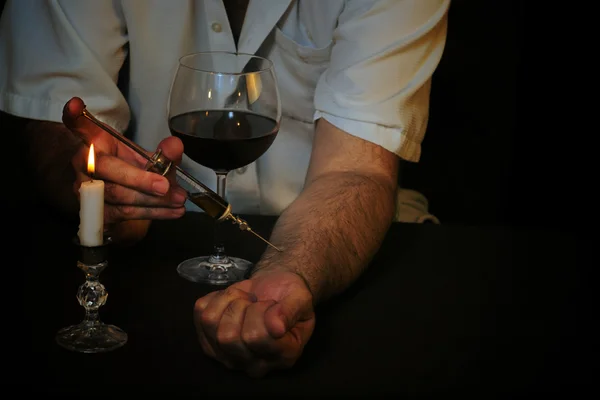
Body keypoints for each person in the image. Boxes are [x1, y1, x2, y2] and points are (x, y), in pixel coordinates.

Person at [0, 0, 450, 377]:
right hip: (151, 254)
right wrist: (90, 178)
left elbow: (354, 170)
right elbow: (59, 116)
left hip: (324, 250)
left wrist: (288, 272)